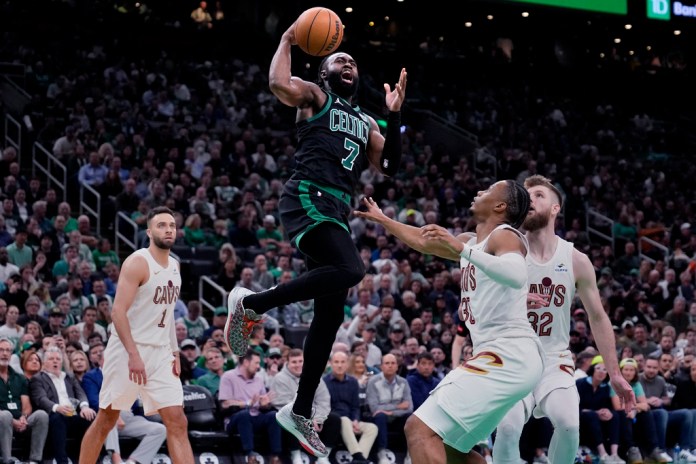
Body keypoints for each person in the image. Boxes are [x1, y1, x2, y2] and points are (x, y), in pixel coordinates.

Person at [223, 14, 407, 458]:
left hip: (336, 211)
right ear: (322, 71)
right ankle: (251, 304)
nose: (349, 66)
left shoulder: (367, 121)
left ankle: (300, 409)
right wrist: (288, 37)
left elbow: (391, 167)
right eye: (340, 61)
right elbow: (277, 84)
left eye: (353, 64)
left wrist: (395, 115)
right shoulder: (314, 95)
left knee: (329, 317)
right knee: (351, 269)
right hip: (307, 195)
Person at [355, 180, 543, 463]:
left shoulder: (504, 235)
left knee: (418, 428)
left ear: (500, 206)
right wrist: (383, 219)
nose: (479, 192)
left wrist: (462, 250)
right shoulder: (471, 241)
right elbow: (422, 241)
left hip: (508, 354)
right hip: (504, 357)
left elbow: (516, 275)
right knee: (450, 449)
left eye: (487, 190)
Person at [493, 175, 635, 464]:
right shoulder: (505, 249)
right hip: (512, 358)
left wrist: (615, 372)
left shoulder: (576, 259)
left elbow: (598, 317)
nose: (529, 199)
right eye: (526, 195)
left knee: (570, 426)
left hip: (553, 359)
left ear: (556, 208)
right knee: (507, 429)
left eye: (538, 195)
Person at [77, 206, 194, 464]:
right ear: (149, 231)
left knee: (177, 420)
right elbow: (117, 312)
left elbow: (168, 314)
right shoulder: (138, 262)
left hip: (160, 353)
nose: (168, 229)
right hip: (128, 350)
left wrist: (174, 351)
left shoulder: (175, 265)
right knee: (106, 419)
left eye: (172, 225)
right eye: (162, 225)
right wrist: (133, 354)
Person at [0, 337, 49, 464]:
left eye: (7, 350)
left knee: (41, 415)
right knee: (5, 415)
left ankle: (34, 460)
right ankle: (7, 459)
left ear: (11, 354)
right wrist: (12, 421)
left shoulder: (19, 378)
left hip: (20, 421)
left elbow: (26, 404)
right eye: (1, 350)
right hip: (3, 420)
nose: (4, 353)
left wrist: (23, 417)